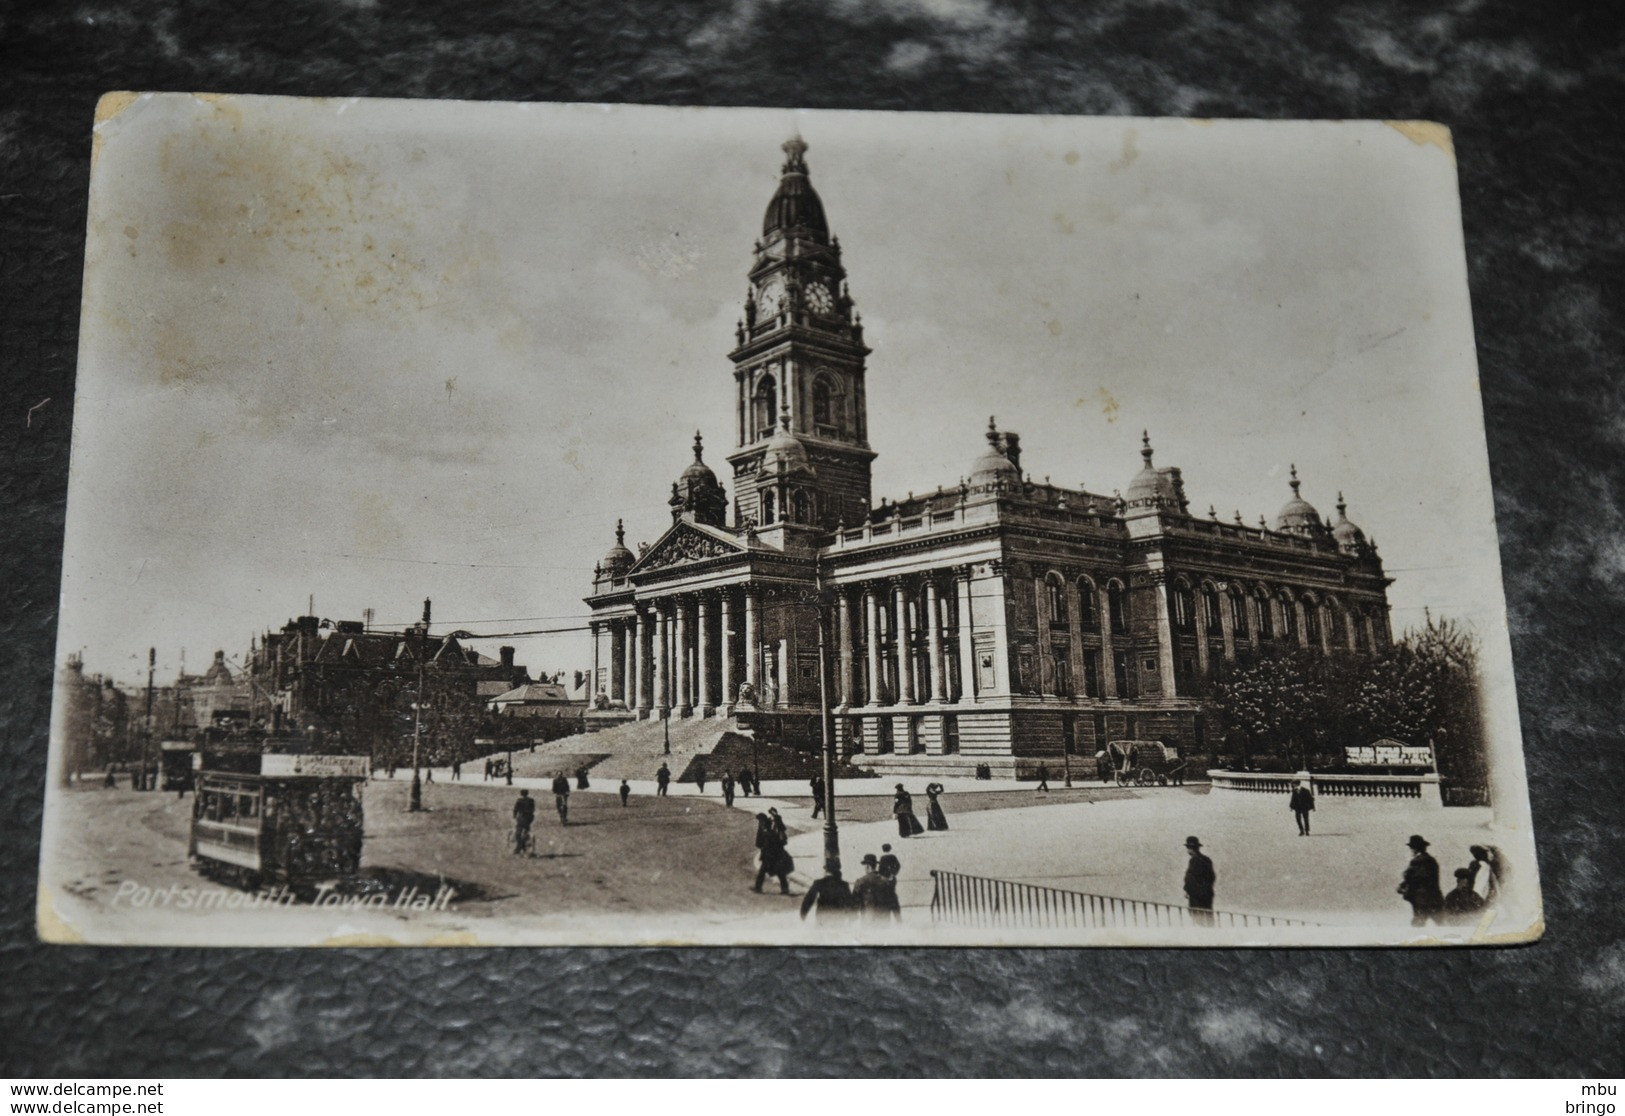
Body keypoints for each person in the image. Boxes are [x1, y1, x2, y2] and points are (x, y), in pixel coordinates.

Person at [1398, 835, 1445, 926]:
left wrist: (1403, 885)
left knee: (1418, 923)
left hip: (1422, 899)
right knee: (1440, 922)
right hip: (1435, 897)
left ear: (1415, 848)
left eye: (1411, 848)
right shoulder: (1431, 860)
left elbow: (1416, 878)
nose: (1411, 850)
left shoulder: (1417, 861)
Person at [852, 854, 902, 922]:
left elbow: (854, 903)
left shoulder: (860, 882)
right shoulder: (886, 882)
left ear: (868, 866)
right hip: (884, 922)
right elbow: (894, 903)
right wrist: (899, 920)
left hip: (867, 922)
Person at [753, 813, 792, 895]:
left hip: (771, 855)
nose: (760, 824)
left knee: (777, 872)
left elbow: (779, 841)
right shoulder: (769, 830)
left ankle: (758, 887)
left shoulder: (770, 831)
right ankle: (784, 889)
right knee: (776, 872)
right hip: (771, 855)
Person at [1183, 836, 1216, 926]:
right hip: (1207, 894)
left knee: (1198, 918)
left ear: (1190, 848)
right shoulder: (1206, 859)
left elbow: (1191, 879)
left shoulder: (1194, 860)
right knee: (1208, 917)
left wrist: (1188, 890)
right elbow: (1212, 877)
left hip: (1197, 896)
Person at [511, 789, 535, 854]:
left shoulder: (519, 801)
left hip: (522, 817)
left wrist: (514, 816)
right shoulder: (531, 800)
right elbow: (533, 809)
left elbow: (515, 809)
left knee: (518, 832)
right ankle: (525, 843)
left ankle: (519, 847)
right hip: (530, 817)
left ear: (521, 794)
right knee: (526, 829)